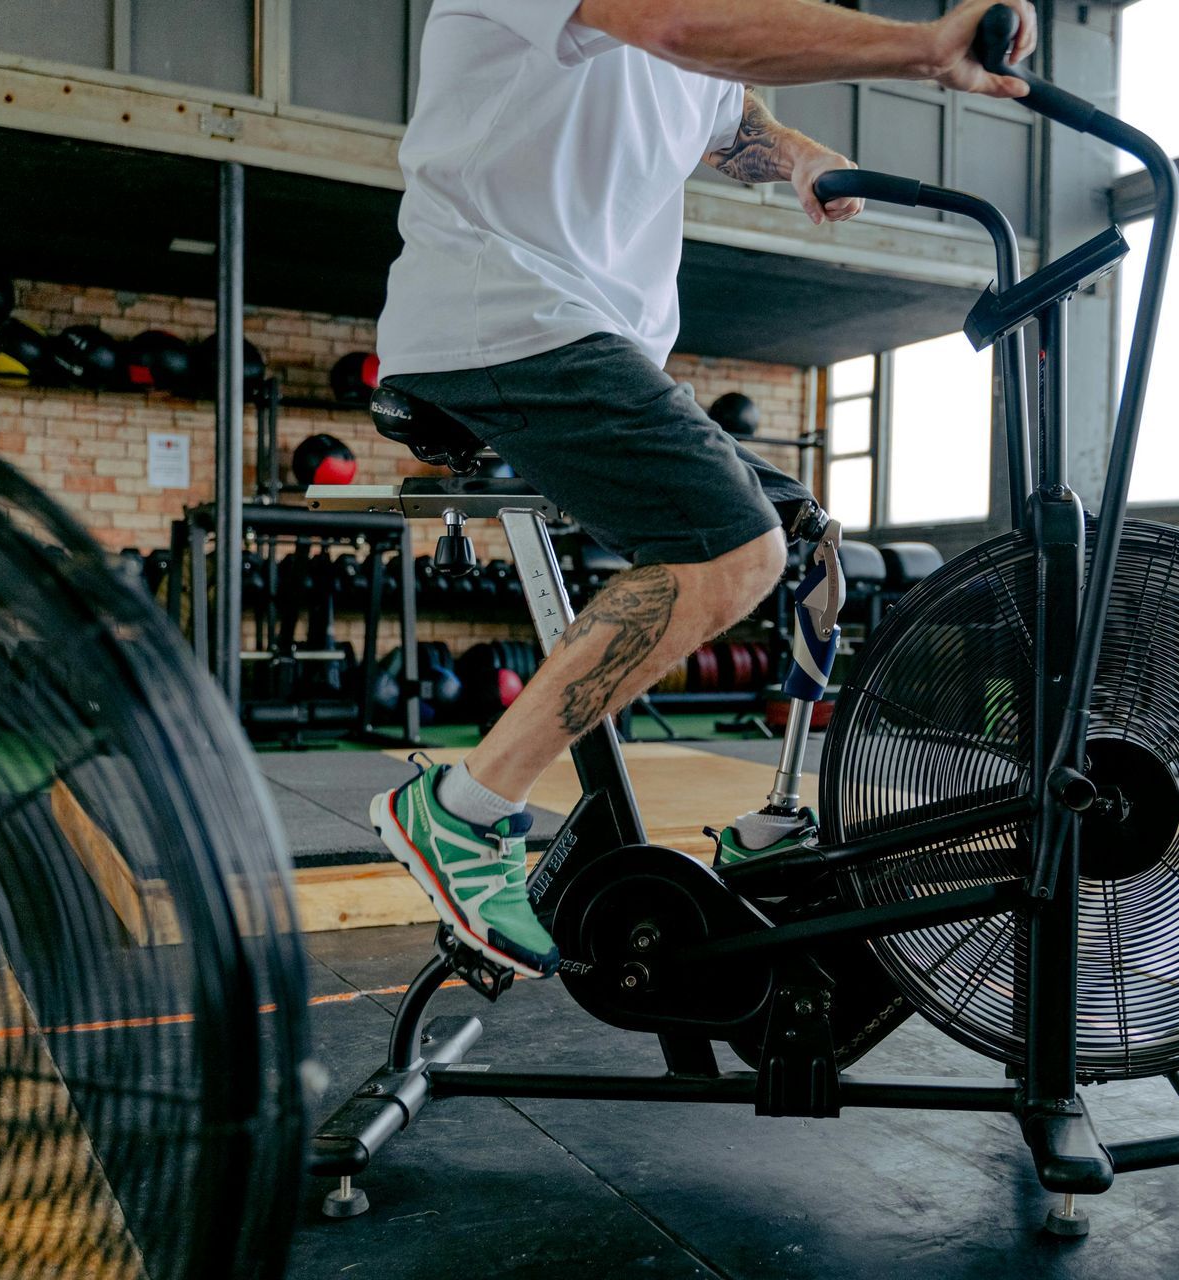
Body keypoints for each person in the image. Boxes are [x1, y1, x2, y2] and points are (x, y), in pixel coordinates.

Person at [369, 0, 1039, 979]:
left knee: (802, 534)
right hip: (501, 319)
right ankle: (461, 809)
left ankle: (775, 814)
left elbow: (737, 122)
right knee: (732, 547)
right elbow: (682, 30)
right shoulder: (656, 12)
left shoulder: (699, 34)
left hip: (594, 342)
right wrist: (923, 47)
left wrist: (803, 157)